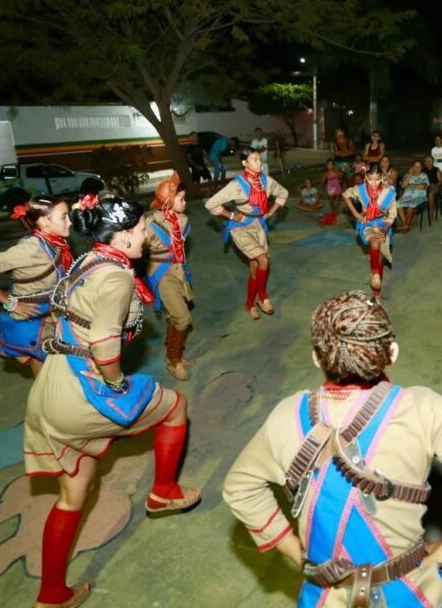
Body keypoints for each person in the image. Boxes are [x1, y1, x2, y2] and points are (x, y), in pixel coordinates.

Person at [222, 291, 442, 608]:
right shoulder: (425, 409)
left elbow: (240, 488)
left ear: (316, 357)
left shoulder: (286, 415)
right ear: (392, 352)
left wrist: (297, 553)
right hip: (411, 594)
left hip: (324, 596)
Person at [27, 194, 200, 608]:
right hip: (85, 388)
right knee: (175, 407)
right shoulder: (118, 277)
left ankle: (52, 595)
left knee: (74, 493)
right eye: (141, 228)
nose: (146, 233)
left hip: (52, 387)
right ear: (122, 237)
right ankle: (163, 492)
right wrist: (116, 384)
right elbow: (106, 345)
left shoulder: (88, 261)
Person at [0, 196, 73, 377]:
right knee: (50, 372)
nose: (70, 222)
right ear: (45, 221)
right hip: (32, 317)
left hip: (51, 311)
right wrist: (10, 303)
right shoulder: (30, 249)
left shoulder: (54, 242)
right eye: (64, 217)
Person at [205, 148, 289, 320]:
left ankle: (249, 303)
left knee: (255, 267)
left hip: (259, 225)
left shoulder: (266, 181)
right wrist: (231, 215)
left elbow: (283, 193)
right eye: (255, 160)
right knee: (264, 259)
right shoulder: (236, 185)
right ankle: (263, 296)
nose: (259, 163)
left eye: (260, 159)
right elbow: (211, 204)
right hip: (240, 227)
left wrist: (272, 211)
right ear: (245, 163)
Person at [144, 174, 194, 381]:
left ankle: (176, 354)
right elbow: (137, 247)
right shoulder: (150, 223)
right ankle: (172, 360)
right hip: (161, 274)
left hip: (179, 271)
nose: (185, 202)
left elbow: (180, 246)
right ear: (168, 202)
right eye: (181, 199)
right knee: (183, 318)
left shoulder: (183, 220)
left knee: (175, 316)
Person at [343, 165, 398, 299]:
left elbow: (392, 216)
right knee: (375, 243)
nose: (374, 183)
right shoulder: (360, 189)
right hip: (367, 224)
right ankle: (374, 274)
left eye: (377, 180)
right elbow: (345, 195)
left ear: (382, 178)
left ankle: (376, 294)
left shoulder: (389, 192)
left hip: (384, 225)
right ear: (366, 177)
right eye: (371, 179)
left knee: (380, 260)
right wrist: (356, 215)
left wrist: (385, 230)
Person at [397, 160, 430, 233]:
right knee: (397, 203)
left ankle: (406, 225)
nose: (417, 168)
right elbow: (403, 186)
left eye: (419, 167)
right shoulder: (407, 175)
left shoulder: (424, 175)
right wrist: (410, 174)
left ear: (421, 168)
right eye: (415, 166)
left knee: (410, 205)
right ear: (412, 167)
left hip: (420, 196)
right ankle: (405, 224)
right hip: (408, 196)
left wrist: (409, 185)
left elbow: (422, 186)